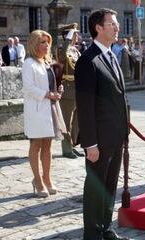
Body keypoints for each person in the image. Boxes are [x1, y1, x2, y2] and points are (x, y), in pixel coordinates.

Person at [75, 8, 129, 240]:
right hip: (99, 139)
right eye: (112, 24)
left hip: (116, 136)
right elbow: (85, 107)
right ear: (98, 28)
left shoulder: (110, 56)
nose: (117, 28)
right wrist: (90, 144)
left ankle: (105, 227)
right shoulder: (88, 61)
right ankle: (92, 232)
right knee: (96, 187)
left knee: (109, 185)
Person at [22, 30, 66, 197]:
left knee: (48, 145)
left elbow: (50, 83)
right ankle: (37, 180)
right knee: (36, 144)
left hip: (50, 109)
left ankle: (47, 179)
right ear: (34, 44)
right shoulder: (29, 63)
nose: (46, 45)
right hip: (37, 109)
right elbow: (29, 87)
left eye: (47, 42)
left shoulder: (47, 62)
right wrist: (48, 94)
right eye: (42, 42)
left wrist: (57, 89)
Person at [57, 22, 83, 159]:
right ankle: (66, 149)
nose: (77, 36)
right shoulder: (63, 48)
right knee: (67, 120)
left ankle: (72, 145)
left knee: (76, 120)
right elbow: (61, 58)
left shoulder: (75, 50)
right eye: (75, 33)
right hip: (67, 89)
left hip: (78, 88)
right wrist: (68, 39)